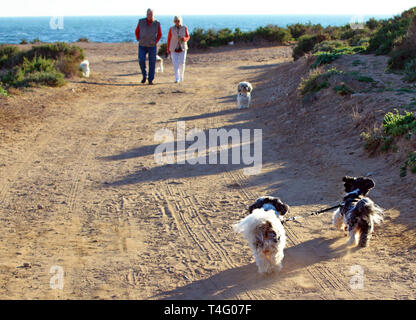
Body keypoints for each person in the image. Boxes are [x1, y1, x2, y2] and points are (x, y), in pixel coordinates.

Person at [135, 8, 162, 85]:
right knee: (141, 60)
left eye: (151, 14)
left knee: (152, 62)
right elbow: (137, 31)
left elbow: (159, 34)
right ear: (146, 14)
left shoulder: (157, 23)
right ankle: (144, 75)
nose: (149, 16)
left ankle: (150, 79)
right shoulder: (141, 21)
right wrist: (138, 39)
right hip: (142, 45)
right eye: (148, 14)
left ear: (153, 15)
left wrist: (155, 41)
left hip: (152, 45)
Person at [167, 16, 190, 83]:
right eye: (175, 21)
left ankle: (181, 77)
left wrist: (184, 39)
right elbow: (168, 39)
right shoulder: (171, 29)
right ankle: (177, 78)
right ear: (174, 22)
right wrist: (168, 49)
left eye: (178, 21)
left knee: (182, 63)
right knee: (175, 63)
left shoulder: (184, 27)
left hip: (183, 48)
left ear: (180, 21)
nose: (177, 22)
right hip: (173, 48)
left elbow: (188, 36)